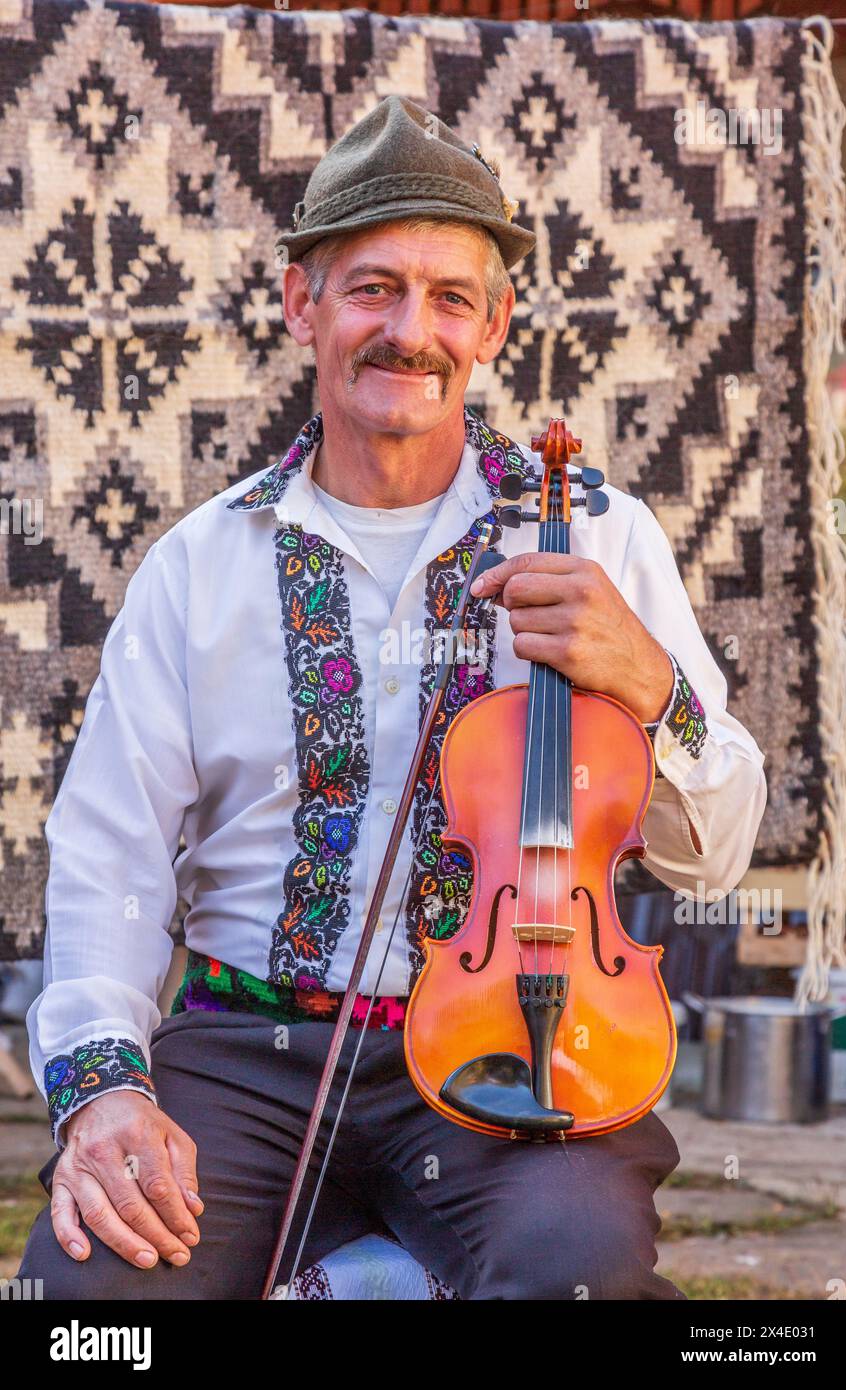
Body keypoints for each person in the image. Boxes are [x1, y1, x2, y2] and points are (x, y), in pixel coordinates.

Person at [17, 95, 766, 1300]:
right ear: (299, 304)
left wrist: (652, 685)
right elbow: (112, 861)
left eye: (449, 297)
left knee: (574, 1273)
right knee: (88, 1302)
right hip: (247, 1053)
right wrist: (105, 1093)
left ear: (493, 325)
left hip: (516, 1043)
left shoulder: (601, 538)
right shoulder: (198, 565)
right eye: (371, 288)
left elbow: (714, 855)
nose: (408, 331)